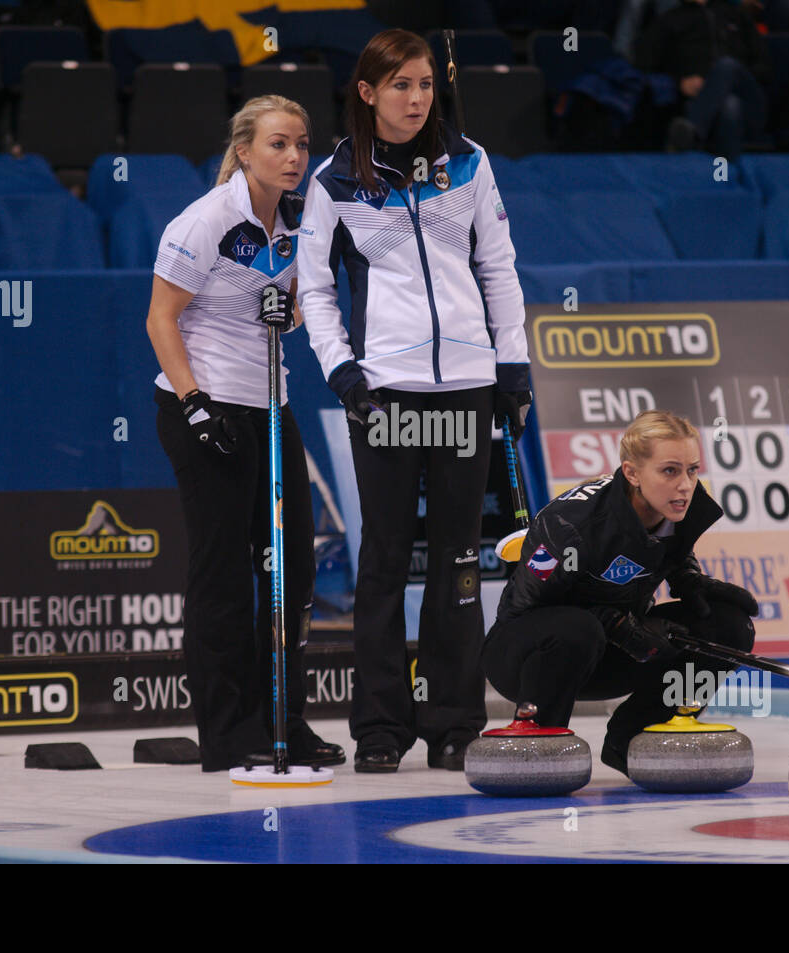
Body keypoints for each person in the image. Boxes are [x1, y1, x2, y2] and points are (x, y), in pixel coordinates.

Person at [297, 29, 532, 773]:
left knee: (460, 562)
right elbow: (315, 287)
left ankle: (456, 720)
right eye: (400, 85)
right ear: (367, 92)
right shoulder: (336, 178)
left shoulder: (469, 160)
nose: (416, 98)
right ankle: (378, 726)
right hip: (385, 392)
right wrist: (343, 371)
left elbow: (498, 266)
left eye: (426, 84)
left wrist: (513, 366)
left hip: (466, 388)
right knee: (385, 560)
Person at [145, 95, 343, 772]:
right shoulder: (204, 221)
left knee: (291, 568)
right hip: (204, 405)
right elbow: (161, 319)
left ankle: (284, 719)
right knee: (224, 572)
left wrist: (284, 313)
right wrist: (197, 405)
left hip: (270, 400)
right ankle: (228, 732)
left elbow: (283, 314)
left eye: (302, 145)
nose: (295, 157)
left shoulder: (301, 217)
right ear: (245, 150)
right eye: (279, 145)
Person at [481, 411, 758, 773]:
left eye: (692, 469)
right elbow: (524, 610)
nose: (686, 485)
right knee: (578, 630)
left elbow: (668, 546)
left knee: (728, 627)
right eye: (670, 470)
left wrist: (688, 578)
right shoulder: (569, 525)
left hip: (614, 649)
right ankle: (539, 745)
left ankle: (633, 741)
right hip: (525, 658)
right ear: (631, 473)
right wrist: (613, 624)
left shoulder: (682, 506)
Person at [635, 0, 773, 159]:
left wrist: (723, 83)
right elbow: (643, 66)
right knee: (729, 105)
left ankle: (692, 131)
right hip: (699, 103)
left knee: (726, 67)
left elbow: (764, 67)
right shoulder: (668, 20)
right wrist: (679, 82)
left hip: (748, 101)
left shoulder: (736, 15)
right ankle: (725, 176)